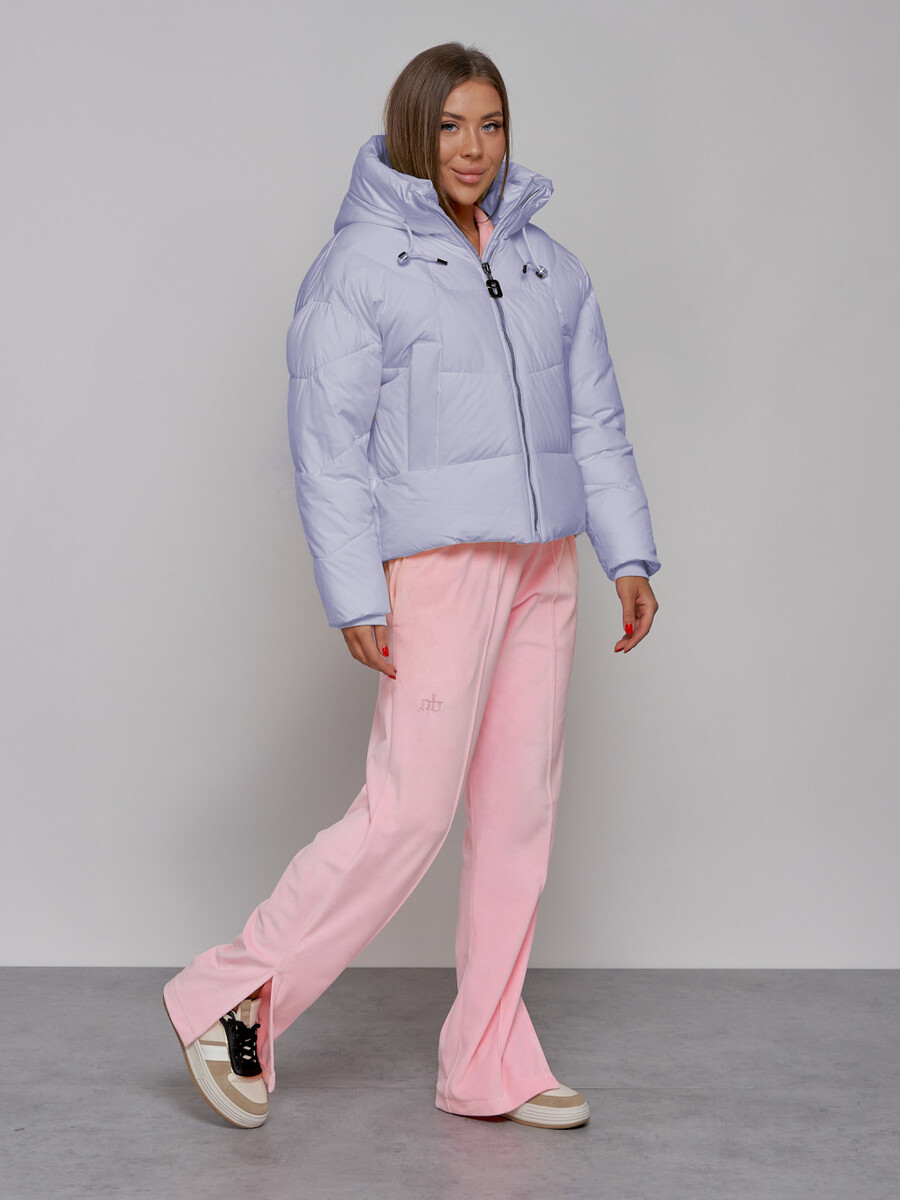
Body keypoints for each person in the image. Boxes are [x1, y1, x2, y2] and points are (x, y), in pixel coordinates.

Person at [163, 41, 660, 1132]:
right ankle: (230, 996)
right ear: (413, 132)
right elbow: (326, 444)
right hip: (438, 565)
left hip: (543, 565)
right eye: (450, 127)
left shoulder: (552, 268)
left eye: (491, 125)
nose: (474, 149)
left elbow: (595, 422)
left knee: (519, 817)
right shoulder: (359, 267)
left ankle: (487, 1059)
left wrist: (626, 554)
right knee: (408, 814)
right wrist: (356, 591)